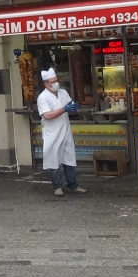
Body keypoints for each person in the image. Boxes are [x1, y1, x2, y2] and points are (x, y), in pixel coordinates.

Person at [37, 67, 86, 197]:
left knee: (69, 159)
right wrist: (64, 109)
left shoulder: (63, 92)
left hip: (65, 131)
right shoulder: (43, 98)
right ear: (46, 84)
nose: (55, 83)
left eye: (56, 80)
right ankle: (57, 186)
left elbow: (70, 104)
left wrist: (73, 107)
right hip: (52, 133)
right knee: (53, 160)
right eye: (52, 82)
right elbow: (47, 115)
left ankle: (73, 185)